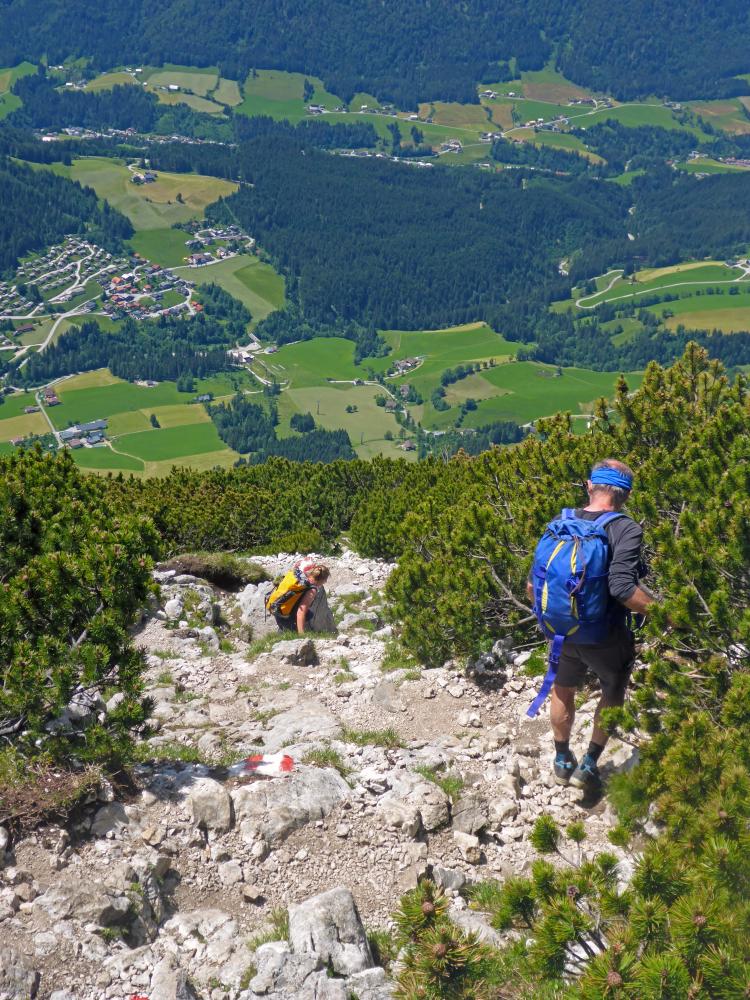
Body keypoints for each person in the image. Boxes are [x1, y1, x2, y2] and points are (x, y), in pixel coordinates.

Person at [527, 459, 655, 793]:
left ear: (589, 486)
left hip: (560, 632)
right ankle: (588, 764)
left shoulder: (560, 522)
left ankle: (561, 759)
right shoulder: (625, 528)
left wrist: (555, 616)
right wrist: (667, 613)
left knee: (562, 688)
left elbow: (531, 586)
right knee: (613, 688)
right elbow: (623, 589)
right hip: (604, 635)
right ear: (624, 494)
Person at [267, 559, 330, 634]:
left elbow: (297, 565)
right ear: (322, 580)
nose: (325, 582)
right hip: (285, 614)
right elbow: (301, 612)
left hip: (277, 606)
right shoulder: (311, 589)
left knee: (309, 614)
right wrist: (301, 635)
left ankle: (283, 632)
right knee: (307, 616)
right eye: (325, 580)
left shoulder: (299, 575)